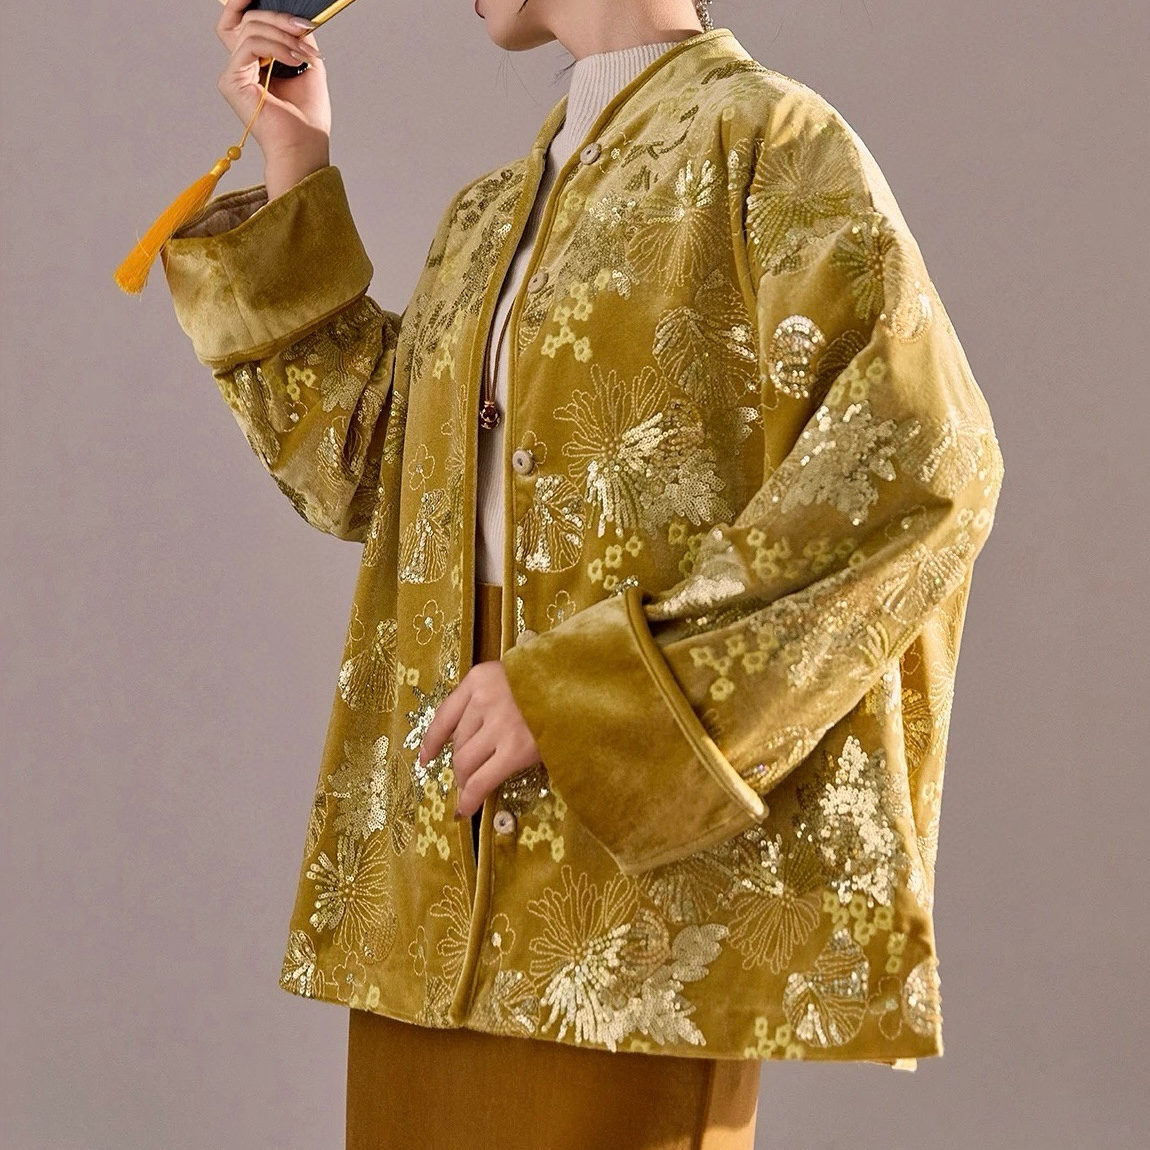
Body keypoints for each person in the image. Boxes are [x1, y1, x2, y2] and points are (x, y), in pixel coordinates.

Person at [158, 0, 1005, 1146]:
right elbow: (365, 475)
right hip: (435, 893)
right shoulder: (487, 215)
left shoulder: (770, 142)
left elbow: (920, 467)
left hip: (631, 913)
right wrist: (295, 164)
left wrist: (584, 694)